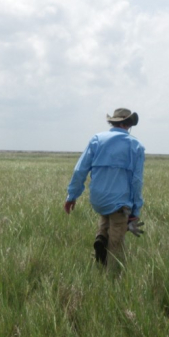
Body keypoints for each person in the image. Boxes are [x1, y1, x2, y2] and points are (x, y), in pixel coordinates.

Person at [64, 108, 145, 268]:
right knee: (116, 244)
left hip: (98, 199)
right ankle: (112, 277)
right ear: (128, 124)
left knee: (106, 213)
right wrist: (135, 212)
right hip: (120, 202)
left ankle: (101, 237)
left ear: (113, 122)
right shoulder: (136, 146)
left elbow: (80, 170)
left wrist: (71, 196)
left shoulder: (97, 139)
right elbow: (136, 181)